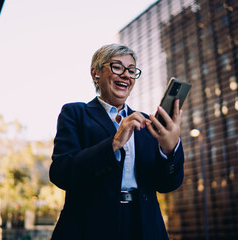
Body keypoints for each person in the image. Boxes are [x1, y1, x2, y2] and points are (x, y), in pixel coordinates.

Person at [49, 43, 185, 240]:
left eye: (131, 70)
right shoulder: (75, 113)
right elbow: (60, 173)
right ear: (95, 73)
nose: (126, 75)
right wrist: (114, 143)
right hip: (90, 226)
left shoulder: (146, 123)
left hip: (144, 225)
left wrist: (170, 149)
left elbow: (168, 185)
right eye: (117, 67)